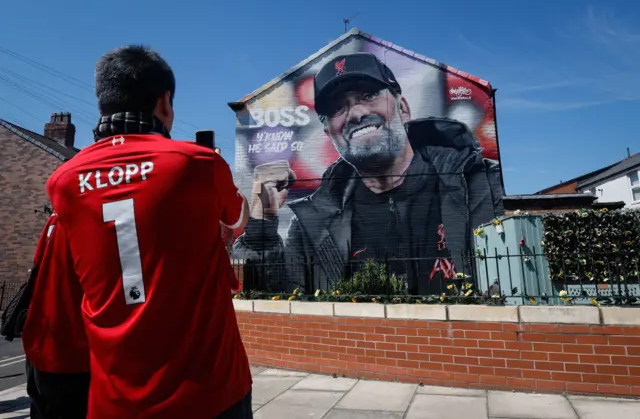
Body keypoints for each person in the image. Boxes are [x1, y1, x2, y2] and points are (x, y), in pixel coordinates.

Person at [44, 45, 252, 418]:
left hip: (113, 399)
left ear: (103, 104)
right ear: (165, 102)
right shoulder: (200, 164)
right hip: (210, 393)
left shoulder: (63, 181)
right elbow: (238, 222)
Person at [233, 52, 504, 295]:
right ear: (329, 134)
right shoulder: (311, 224)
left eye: (369, 95)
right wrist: (262, 223)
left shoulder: (475, 183)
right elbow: (275, 298)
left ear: (403, 109)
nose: (356, 113)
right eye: (339, 108)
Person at [22, 211, 90, 419]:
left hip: (42, 339)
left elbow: (36, 264)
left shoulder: (55, 219)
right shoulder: (86, 218)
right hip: (75, 348)